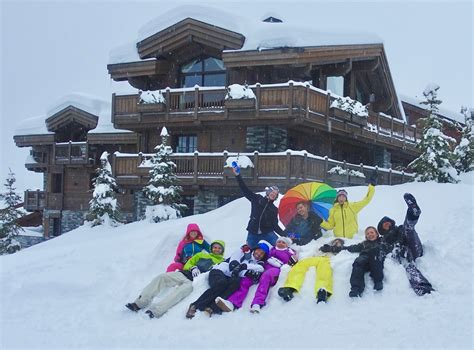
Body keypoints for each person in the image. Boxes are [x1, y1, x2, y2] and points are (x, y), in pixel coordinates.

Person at [125, 240, 225, 318]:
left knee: (178, 293)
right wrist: (192, 267)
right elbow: (188, 264)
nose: (216, 249)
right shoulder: (201, 255)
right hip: (184, 274)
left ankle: (155, 311)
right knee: (162, 277)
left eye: (219, 248)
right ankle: (139, 303)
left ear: (222, 250)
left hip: (194, 282)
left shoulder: (222, 262)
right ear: (211, 248)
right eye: (215, 247)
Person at [185, 241, 268, 319]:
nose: (259, 254)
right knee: (221, 283)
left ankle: (212, 307)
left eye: (262, 254)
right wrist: (240, 267)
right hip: (219, 271)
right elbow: (233, 263)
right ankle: (195, 305)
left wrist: (244, 269)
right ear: (254, 250)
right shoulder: (243, 253)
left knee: (235, 284)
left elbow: (260, 269)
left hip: (230, 276)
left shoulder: (258, 264)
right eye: (258, 251)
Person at [216, 237, 297, 314]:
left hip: (275, 269)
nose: (280, 243)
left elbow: (293, 261)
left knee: (266, 276)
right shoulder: (272, 249)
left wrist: (292, 261)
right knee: (245, 281)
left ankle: (257, 303)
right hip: (263, 268)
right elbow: (258, 255)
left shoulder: (289, 252)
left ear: (287, 245)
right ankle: (232, 303)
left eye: (283, 242)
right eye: (279, 241)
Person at [376, 193, 434, 296]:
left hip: (414, 248)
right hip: (403, 256)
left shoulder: (400, 228)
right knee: (408, 265)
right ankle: (422, 286)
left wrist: (399, 242)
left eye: (387, 222)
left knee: (408, 228)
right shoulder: (383, 240)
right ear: (381, 229)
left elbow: (405, 235)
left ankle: (413, 212)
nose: (387, 224)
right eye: (384, 224)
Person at [322, 227, 386, 297]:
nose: (370, 234)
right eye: (367, 233)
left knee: (375, 254)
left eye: (372, 232)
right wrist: (332, 248)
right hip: (365, 259)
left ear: (377, 234)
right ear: (366, 237)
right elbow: (349, 248)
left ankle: (378, 281)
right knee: (358, 262)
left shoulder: (382, 241)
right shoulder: (363, 244)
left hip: (376, 258)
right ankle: (356, 288)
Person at [231, 162, 284, 247]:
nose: (273, 194)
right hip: (253, 233)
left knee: (278, 246)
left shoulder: (274, 209)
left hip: (267, 233)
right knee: (249, 251)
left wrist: (285, 235)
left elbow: (275, 225)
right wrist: (238, 176)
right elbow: (245, 190)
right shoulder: (257, 199)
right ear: (268, 192)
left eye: (276, 194)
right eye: (272, 192)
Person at [277, 238, 344, 304]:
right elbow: (314, 251)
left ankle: (323, 290)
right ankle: (289, 287)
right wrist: (321, 249)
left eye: (339, 242)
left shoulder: (342, 250)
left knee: (324, 271)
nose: (336, 243)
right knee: (300, 265)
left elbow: (344, 255)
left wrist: (337, 249)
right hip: (315, 258)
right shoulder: (325, 246)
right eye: (335, 241)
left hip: (326, 260)